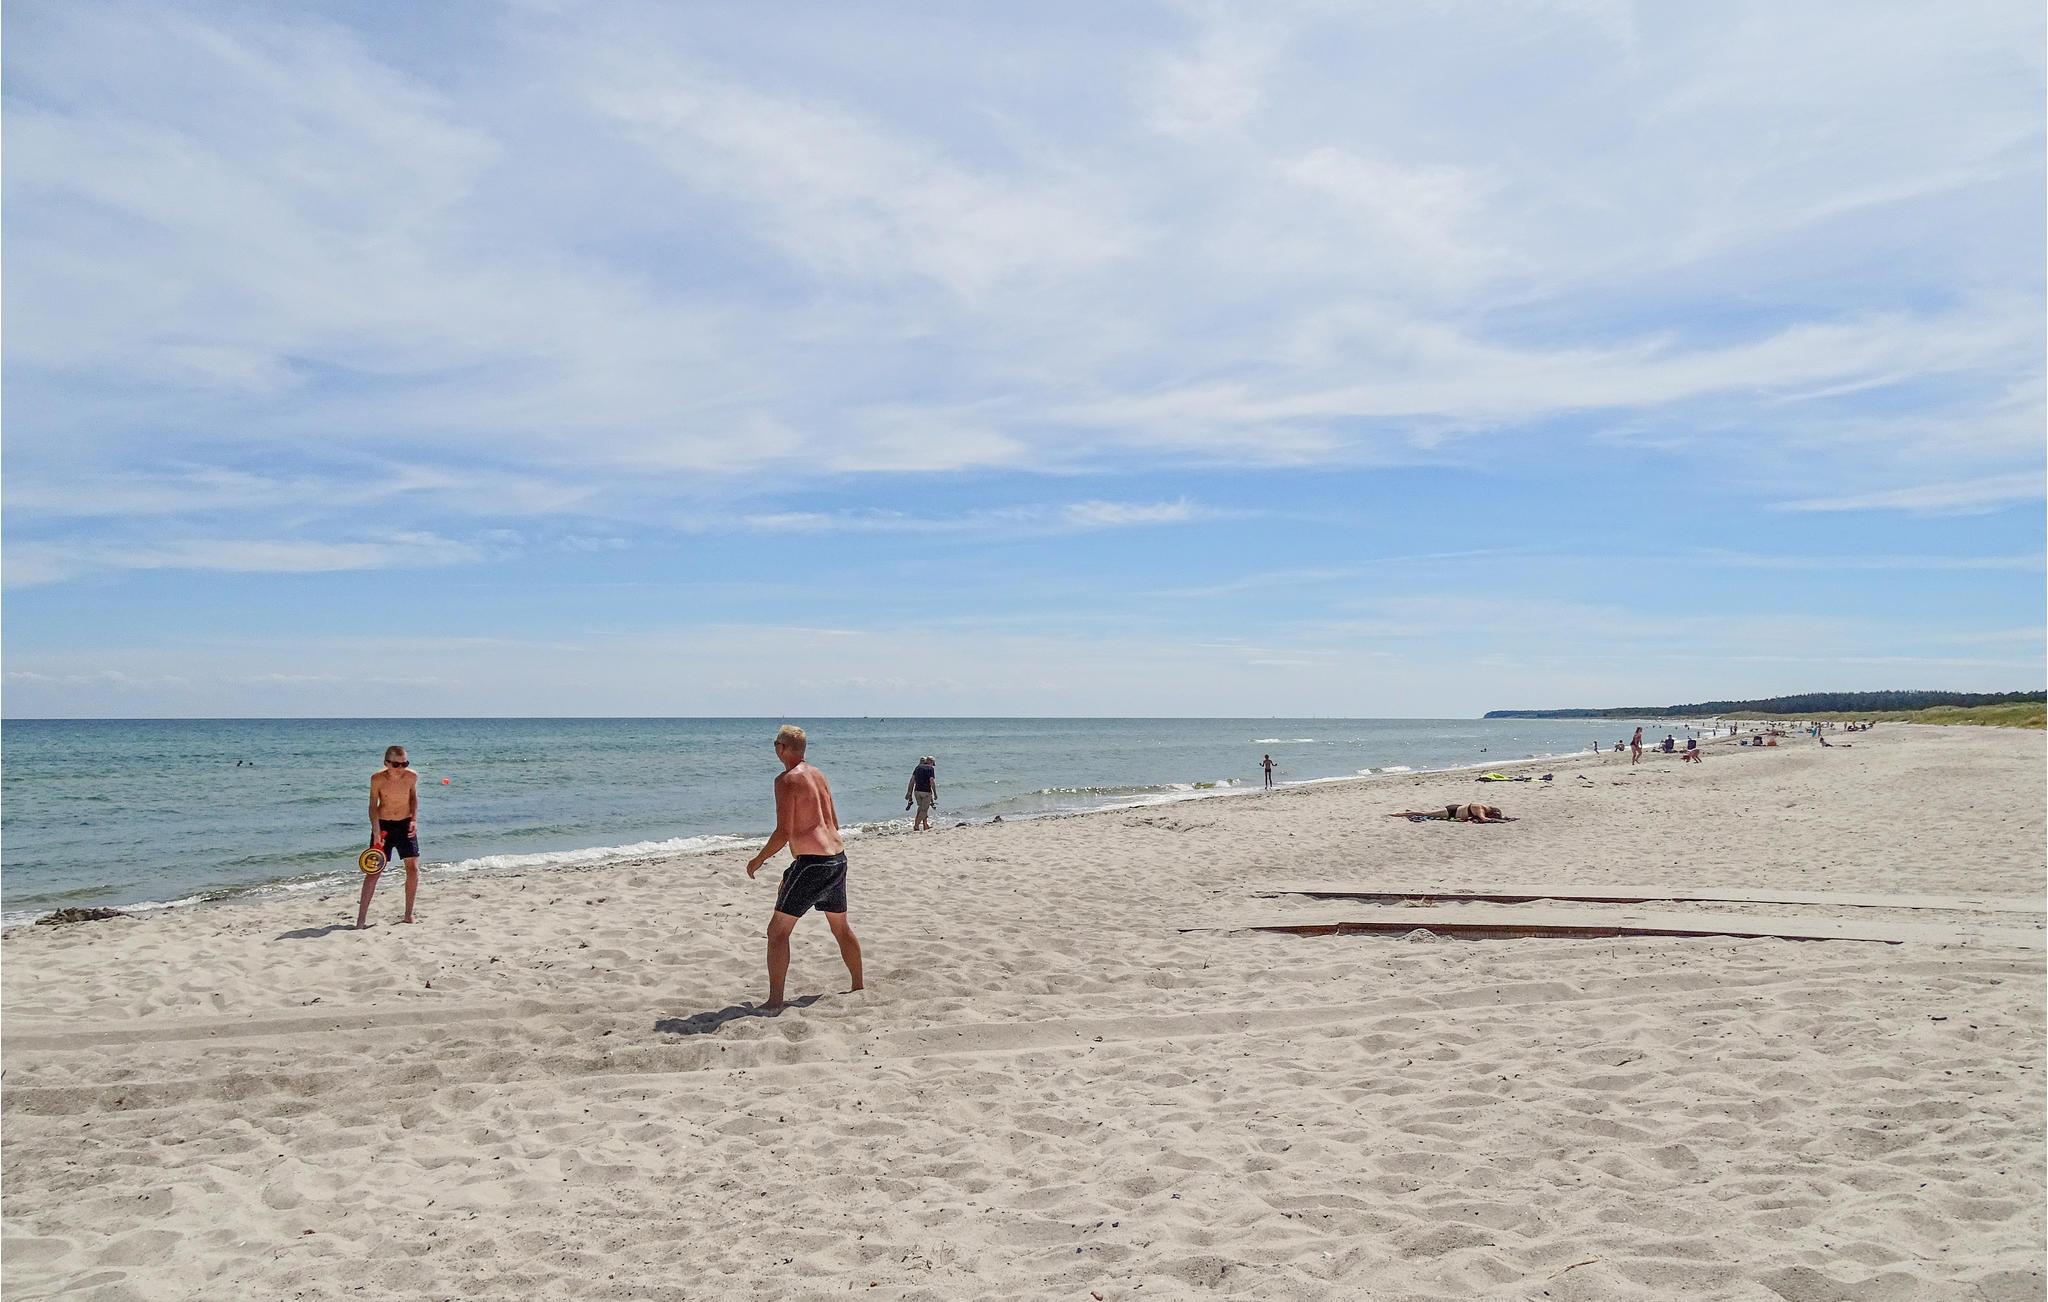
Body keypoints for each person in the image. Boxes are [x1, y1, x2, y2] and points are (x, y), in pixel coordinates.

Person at [744, 725, 863, 1011]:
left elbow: (783, 832)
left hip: (814, 864)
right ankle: (858, 985)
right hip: (837, 859)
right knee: (840, 927)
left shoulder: (786, 780)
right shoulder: (818, 775)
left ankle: (774, 1001)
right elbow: (833, 821)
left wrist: (758, 859)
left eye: (775, 744)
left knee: (777, 932)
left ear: (782, 748)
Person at [361, 744, 420, 928]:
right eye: (396, 764)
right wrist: (376, 830)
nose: (400, 768)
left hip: (405, 824)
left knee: (413, 869)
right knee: (374, 871)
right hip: (383, 825)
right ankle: (361, 920)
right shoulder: (377, 779)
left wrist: (414, 820)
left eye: (404, 764)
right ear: (386, 763)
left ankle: (408, 915)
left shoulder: (411, 776)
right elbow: (372, 805)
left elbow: (413, 798)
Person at [905, 755, 937, 831]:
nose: (933, 765)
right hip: (926, 791)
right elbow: (932, 781)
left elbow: (912, 781)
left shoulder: (917, 768)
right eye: (933, 764)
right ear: (930, 762)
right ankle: (916, 826)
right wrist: (935, 793)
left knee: (920, 808)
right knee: (924, 810)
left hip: (917, 791)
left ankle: (925, 825)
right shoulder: (930, 769)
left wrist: (909, 792)